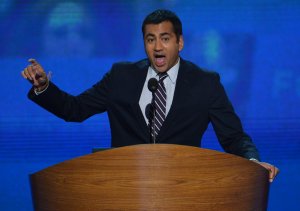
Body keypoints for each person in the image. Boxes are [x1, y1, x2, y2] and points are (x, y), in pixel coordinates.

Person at [21, 9, 279, 182]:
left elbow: (233, 137)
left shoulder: (205, 83)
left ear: (180, 42)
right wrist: (44, 87)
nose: (157, 47)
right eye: (150, 39)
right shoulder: (121, 76)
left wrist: (252, 162)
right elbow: (74, 110)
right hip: (125, 190)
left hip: (182, 190)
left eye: (165, 39)